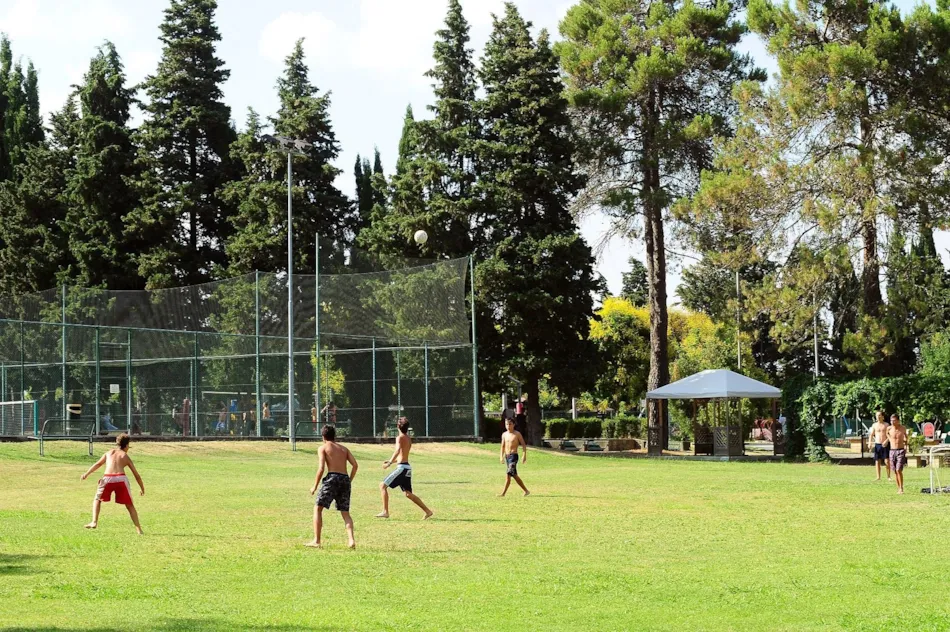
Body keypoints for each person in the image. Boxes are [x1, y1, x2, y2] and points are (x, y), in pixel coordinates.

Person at [80, 433, 145, 534]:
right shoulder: (125, 456)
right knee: (129, 505)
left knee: (97, 499)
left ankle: (94, 522)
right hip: (121, 479)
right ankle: (139, 530)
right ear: (127, 445)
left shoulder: (109, 453)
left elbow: (98, 464)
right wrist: (142, 488)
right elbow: (136, 475)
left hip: (107, 479)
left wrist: (87, 473)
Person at [307, 425, 358, 549]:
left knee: (318, 509)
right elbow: (355, 465)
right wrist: (349, 480)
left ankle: (317, 541)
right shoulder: (344, 449)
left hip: (332, 478)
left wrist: (314, 486)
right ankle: (351, 540)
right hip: (345, 479)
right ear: (334, 436)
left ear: (323, 436)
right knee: (345, 513)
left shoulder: (323, 448)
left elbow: (321, 468)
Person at [376, 417, 433, 520]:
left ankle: (385, 511)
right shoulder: (408, 438)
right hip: (407, 468)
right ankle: (428, 511)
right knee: (408, 494)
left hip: (402, 468)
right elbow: (402, 456)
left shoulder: (399, 437)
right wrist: (392, 461)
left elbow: (397, 450)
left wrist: (389, 463)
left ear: (398, 426)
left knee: (382, 485)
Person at [499, 418, 530, 497]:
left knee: (509, 473)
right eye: (506, 424)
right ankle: (526, 491)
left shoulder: (517, 434)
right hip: (507, 456)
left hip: (514, 456)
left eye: (510, 424)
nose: (508, 426)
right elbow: (502, 447)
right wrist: (501, 457)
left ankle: (503, 493)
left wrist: (524, 455)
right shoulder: (504, 434)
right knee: (511, 475)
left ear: (513, 425)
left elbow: (523, 444)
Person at [887, 414, 908, 494]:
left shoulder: (902, 428)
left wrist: (906, 445)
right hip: (892, 451)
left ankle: (901, 488)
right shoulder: (889, 428)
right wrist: (889, 440)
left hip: (900, 450)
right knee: (895, 471)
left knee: (898, 469)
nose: (892, 422)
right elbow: (887, 434)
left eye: (894, 420)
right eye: (891, 420)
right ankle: (898, 487)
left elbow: (906, 437)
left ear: (898, 421)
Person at [869, 411, 891, 481]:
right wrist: (870, 442)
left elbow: (890, 435)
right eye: (877, 415)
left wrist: (886, 441)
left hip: (885, 444)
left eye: (879, 415)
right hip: (877, 444)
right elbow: (871, 435)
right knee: (877, 461)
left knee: (887, 461)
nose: (878, 417)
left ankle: (888, 476)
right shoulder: (874, 425)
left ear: (882, 416)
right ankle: (878, 477)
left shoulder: (887, 425)